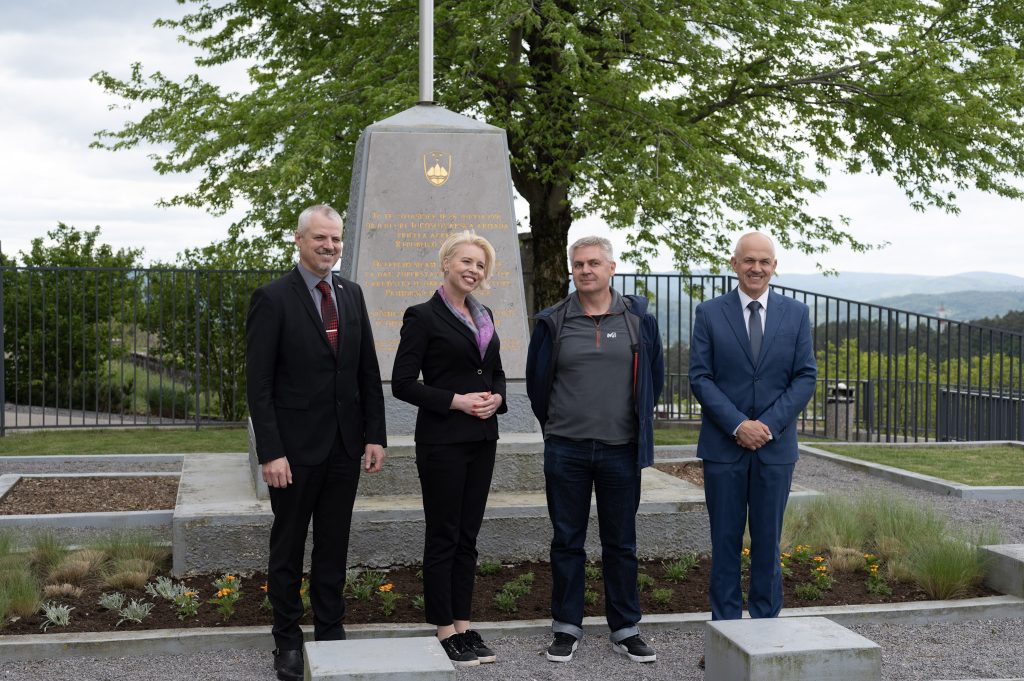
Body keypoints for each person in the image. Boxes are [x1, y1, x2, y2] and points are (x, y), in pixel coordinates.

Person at [246, 203, 387, 681]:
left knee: (333, 546)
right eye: (320, 238)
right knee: (287, 548)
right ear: (299, 239)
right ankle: (287, 640)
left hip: (345, 449)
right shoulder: (272, 298)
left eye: (335, 239)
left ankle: (331, 634)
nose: (329, 246)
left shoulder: (351, 293)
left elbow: (367, 370)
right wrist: (271, 451)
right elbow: (258, 385)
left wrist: (375, 436)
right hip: (292, 454)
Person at [525, 236, 664, 664]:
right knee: (567, 540)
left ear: (611, 267)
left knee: (621, 543)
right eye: (579, 264)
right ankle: (566, 627)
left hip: (621, 450)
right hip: (565, 449)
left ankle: (625, 628)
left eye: (594, 263)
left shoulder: (639, 319)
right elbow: (536, 385)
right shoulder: (553, 320)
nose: (585, 270)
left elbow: (653, 380)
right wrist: (557, 427)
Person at [689, 231, 817, 628]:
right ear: (735, 264)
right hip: (723, 449)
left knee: (767, 546)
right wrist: (738, 425)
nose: (756, 268)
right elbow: (701, 377)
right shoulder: (709, 313)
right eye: (749, 261)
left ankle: (765, 634)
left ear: (774, 267)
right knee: (724, 545)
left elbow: (805, 377)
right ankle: (725, 635)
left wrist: (768, 426)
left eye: (764, 262)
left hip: (775, 451)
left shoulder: (796, 314)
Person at [391, 230, 507, 667]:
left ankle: (463, 623)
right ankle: (443, 629)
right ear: (446, 263)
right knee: (443, 535)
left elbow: (494, 373)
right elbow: (403, 384)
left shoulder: (485, 315)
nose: (474, 270)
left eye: (480, 265)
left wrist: (497, 398)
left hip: (482, 439)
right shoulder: (421, 316)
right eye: (467, 262)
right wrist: (455, 401)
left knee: (468, 536)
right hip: (441, 442)